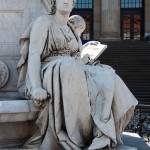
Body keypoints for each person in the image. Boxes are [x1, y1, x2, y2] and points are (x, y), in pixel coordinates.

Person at [17, 0, 138, 149]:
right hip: (51, 68)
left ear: (74, 3)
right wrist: (36, 87)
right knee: (70, 67)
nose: (66, 1)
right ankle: (77, 139)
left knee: (108, 74)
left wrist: (85, 59)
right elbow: (34, 54)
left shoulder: (71, 28)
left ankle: (101, 133)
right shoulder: (43, 22)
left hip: (74, 67)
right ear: (54, 2)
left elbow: (76, 56)